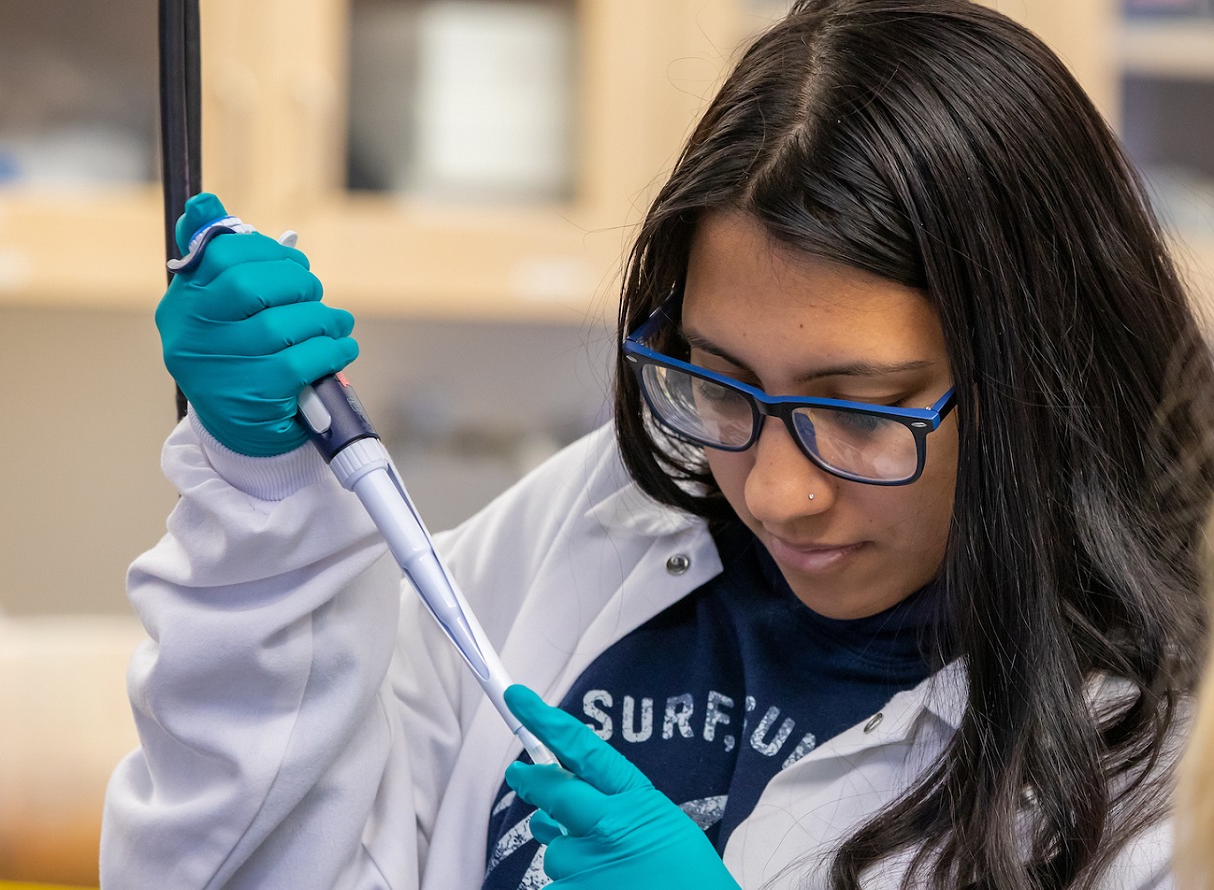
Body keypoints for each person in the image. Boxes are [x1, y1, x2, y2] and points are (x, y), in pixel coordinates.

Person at [100, 0, 1214, 887]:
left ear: (1040, 379)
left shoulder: (1171, 758)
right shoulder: (601, 521)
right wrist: (262, 509)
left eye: (864, 409)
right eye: (719, 380)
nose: (774, 493)